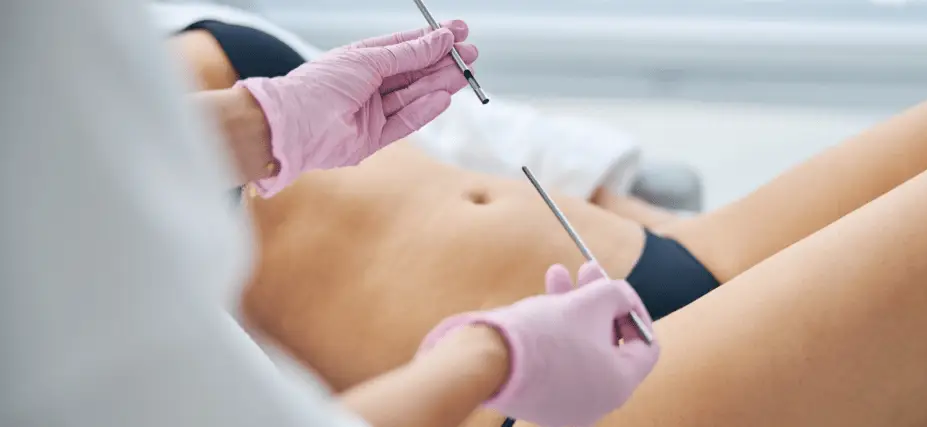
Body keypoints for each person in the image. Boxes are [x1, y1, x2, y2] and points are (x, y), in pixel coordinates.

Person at [167, 10, 927, 427]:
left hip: (653, 267)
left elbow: (462, 120)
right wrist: (491, 358)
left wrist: (259, 124)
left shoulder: (78, 69)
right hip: (561, 402)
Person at [0, 2, 661, 427]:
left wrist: (263, 122)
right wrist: (493, 359)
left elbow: (46, 159)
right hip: (506, 396)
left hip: (606, 297)